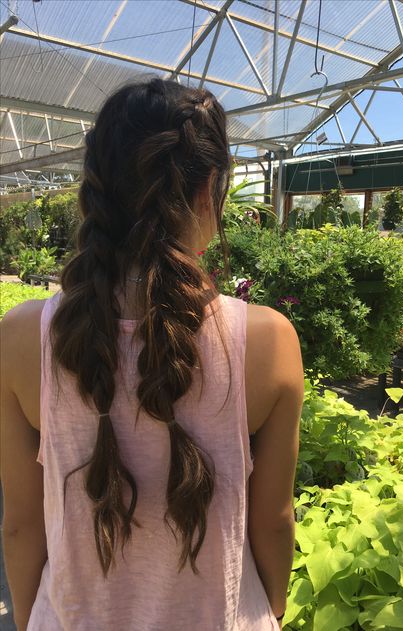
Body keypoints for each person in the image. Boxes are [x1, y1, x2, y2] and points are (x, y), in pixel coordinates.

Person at [0, 78, 304, 631]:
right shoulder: (267, 340)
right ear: (210, 190)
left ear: (92, 191)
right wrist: (272, 610)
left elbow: (20, 524)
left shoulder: (21, 336)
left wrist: (30, 619)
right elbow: (275, 521)